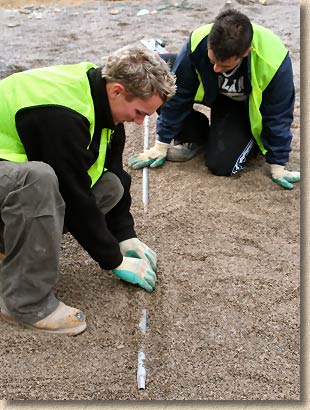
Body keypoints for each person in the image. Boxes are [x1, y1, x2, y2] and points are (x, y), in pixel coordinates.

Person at [0, 45, 176, 335]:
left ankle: (8, 248)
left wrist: (124, 235)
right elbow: (74, 194)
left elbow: (113, 173)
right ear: (117, 91)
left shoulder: (101, 102)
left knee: (110, 186)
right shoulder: (64, 117)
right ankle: (25, 304)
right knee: (38, 180)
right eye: (139, 112)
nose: (140, 122)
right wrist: (113, 259)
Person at [128, 8, 300, 190]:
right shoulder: (198, 40)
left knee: (222, 166)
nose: (216, 69)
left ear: (246, 52)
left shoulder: (274, 60)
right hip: (210, 91)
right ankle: (195, 136)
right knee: (162, 81)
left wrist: (278, 164)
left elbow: (279, 114)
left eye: (224, 65)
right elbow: (178, 93)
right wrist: (161, 144)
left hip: (239, 107)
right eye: (212, 61)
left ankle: (247, 140)